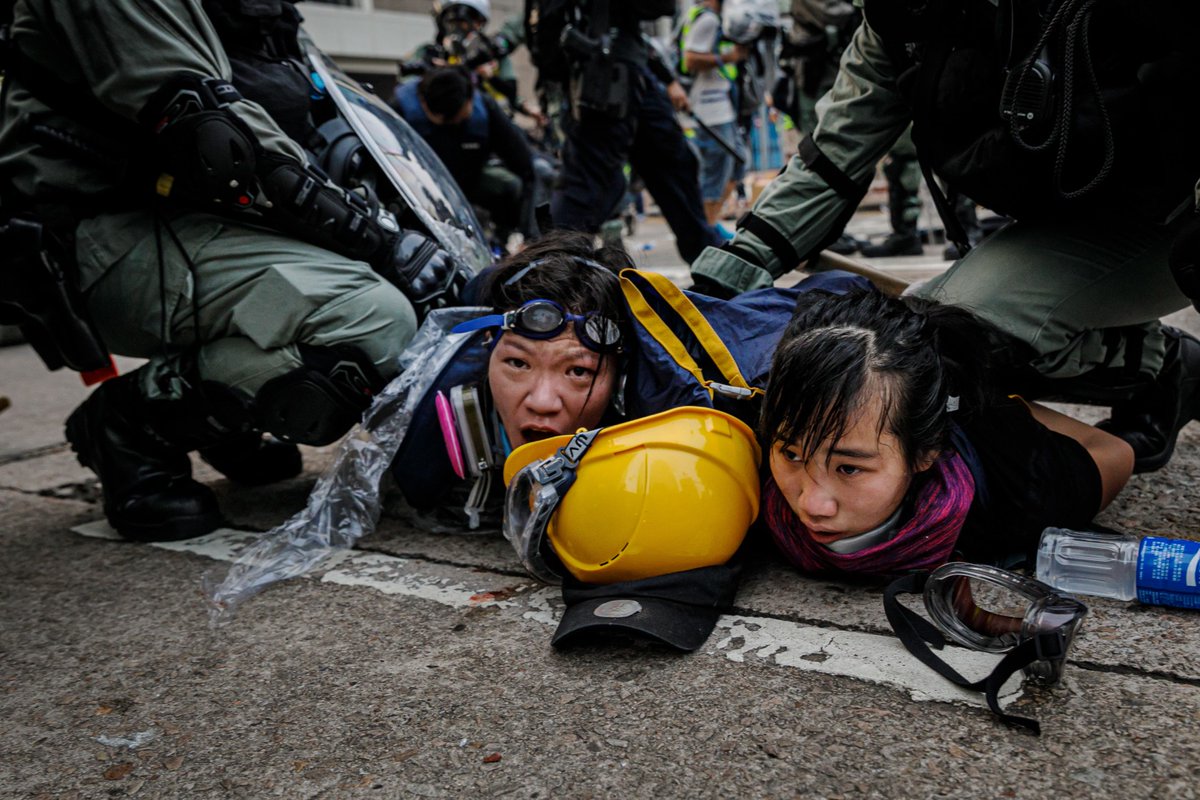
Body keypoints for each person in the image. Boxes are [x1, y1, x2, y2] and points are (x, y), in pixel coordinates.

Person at [0, 0, 468, 542]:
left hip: (185, 216)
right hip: (97, 234)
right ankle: (130, 423)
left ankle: (224, 418)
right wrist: (383, 241)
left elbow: (314, 115)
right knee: (373, 322)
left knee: (410, 292)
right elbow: (217, 136)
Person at [688, 1, 1200, 474]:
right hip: (1057, 223)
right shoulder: (899, 17)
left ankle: (1164, 363)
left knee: (951, 337)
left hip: (1167, 229)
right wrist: (719, 284)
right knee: (916, 333)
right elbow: (832, 159)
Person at [758, 287, 1134, 576]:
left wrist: (1013, 408)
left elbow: (1115, 451)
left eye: (849, 468)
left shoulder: (1019, 485)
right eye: (791, 455)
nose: (811, 505)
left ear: (926, 452)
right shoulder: (748, 435)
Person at [528, 0, 723, 264]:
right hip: (602, 80)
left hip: (628, 69)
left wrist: (666, 78)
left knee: (676, 169)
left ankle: (712, 267)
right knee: (585, 188)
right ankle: (549, 273)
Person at [394, 67, 538, 247]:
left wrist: (530, 238)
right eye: (441, 120)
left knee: (515, 185)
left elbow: (526, 168)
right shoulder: (402, 109)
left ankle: (500, 242)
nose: (450, 124)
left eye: (456, 119)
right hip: (418, 186)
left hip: (469, 179)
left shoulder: (484, 110)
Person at [679, 0, 750, 227]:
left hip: (722, 108)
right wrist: (729, 57)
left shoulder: (718, 20)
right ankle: (706, 233)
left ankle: (711, 224)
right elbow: (689, 59)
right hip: (709, 111)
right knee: (714, 175)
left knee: (739, 163)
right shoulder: (707, 19)